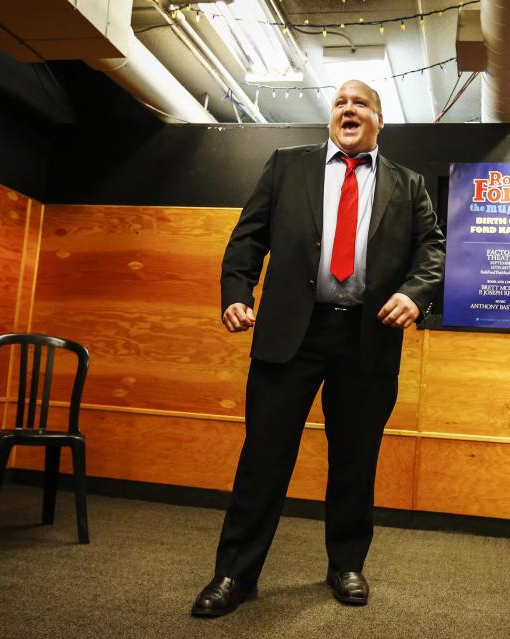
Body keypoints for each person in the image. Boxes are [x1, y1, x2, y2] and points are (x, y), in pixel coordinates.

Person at [192, 79, 445, 618]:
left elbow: (432, 250)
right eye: (340, 103)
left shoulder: (409, 184)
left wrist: (415, 294)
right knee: (263, 457)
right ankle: (235, 574)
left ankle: (346, 565)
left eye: (361, 104)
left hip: (367, 337)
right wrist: (237, 292)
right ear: (332, 117)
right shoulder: (288, 165)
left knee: (356, 459)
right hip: (291, 335)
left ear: (380, 121)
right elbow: (247, 237)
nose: (348, 109)